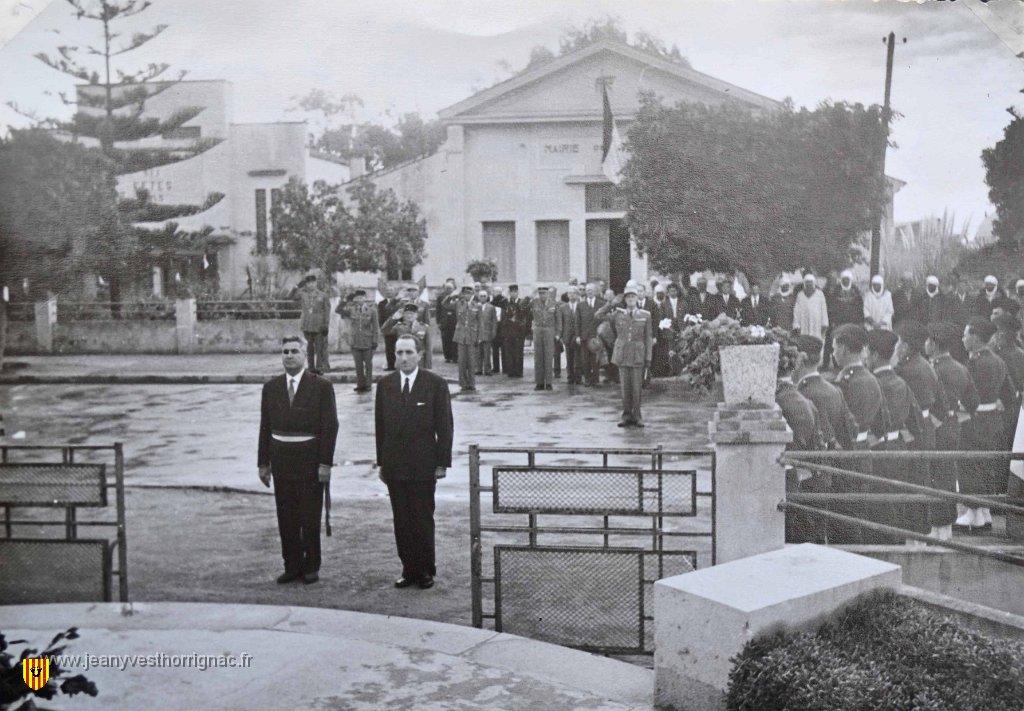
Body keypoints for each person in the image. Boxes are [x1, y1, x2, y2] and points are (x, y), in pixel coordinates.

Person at [374, 334, 453, 590]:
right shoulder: (385, 385)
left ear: (419, 354)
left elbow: (445, 426)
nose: (404, 358)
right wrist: (382, 463)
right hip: (395, 465)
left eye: (409, 352)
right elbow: (380, 428)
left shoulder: (435, 384)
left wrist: (442, 463)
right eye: (399, 353)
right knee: (401, 520)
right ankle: (408, 569)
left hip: (423, 465)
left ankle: (425, 570)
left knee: (421, 518)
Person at [258, 335, 338, 585]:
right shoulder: (271, 387)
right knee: (286, 517)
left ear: (305, 355)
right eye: (285, 352)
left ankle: (311, 565)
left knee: (309, 517)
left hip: (310, 461)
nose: (289, 355)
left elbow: (330, 426)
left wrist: (325, 464)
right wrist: (263, 463)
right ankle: (291, 565)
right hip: (282, 462)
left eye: (294, 351)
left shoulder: (321, 386)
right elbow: (265, 427)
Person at [894, 321, 952, 540]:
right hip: (925, 431)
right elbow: (942, 407)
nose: (897, 347)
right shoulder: (926, 365)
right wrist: (927, 426)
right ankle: (921, 532)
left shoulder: (905, 370)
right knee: (922, 481)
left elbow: (902, 407)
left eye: (899, 342)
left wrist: (911, 433)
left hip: (912, 434)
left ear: (907, 346)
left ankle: (915, 534)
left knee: (911, 485)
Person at [830, 324, 885, 543]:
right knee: (857, 517)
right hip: (864, 454)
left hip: (844, 457)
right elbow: (881, 426)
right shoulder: (873, 380)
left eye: (834, 348)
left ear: (843, 348)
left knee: (841, 523)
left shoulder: (843, 383)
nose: (833, 353)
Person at [960, 317, 1016, 531]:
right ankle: (984, 512)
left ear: (975, 337)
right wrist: (996, 405)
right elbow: (1010, 396)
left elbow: (968, 397)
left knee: (971, 465)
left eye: (966, 334)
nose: (963, 338)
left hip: (975, 421)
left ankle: (973, 512)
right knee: (985, 467)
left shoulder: (975, 363)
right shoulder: (999, 361)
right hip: (994, 421)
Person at [926, 322, 979, 541]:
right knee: (947, 474)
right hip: (953, 428)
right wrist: (954, 416)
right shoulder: (960, 368)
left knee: (934, 477)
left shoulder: (933, 369)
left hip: (934, 429)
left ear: (935, 344)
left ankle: (938, 525)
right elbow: (973, 403)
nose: (926, 344)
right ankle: (945, 525)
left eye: (929, 340)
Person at [596, 286, 652, 427]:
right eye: (628, 297)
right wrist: (611, 303)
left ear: (637, 298)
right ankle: (626, 415)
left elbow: (648, 338)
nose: (631, 299)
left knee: (637, 387)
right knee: (625, 387)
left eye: (633, 297)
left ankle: (637, 416)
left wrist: (648, 357)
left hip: (637, 354)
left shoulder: (645, 315)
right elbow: (598, 315)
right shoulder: (618, 314)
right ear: (625, 300)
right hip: (622, 353)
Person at [337, 290, 379, 392]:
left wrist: (375, 340)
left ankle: (368, 384)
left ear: (365, 298)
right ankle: (360, 384)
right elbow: (338, 310)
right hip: (355, 341)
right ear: (355, 299)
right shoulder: (351, 309)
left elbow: (375, 326)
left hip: (367, 341)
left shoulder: (372, 310)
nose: (360, 299)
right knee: (358, 364)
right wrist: (345, 300)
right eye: (357, 298)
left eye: (362, 297)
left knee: (368, 364)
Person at [824, 270, 864, 370]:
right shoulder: (836, 291)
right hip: (838, 323)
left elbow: (860, 308)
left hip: (852, 323)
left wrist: (860, 322)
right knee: (835, 343)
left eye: (847, 279)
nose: (846, 281)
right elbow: (831, 308)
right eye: (844, 279)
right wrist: (832, 322)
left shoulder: (856, 291)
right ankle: (833, 364)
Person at [448, 285, 481, 392]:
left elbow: (480, 323)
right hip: (460, 336)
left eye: (468, 293)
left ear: (472, 294)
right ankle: (463, 384)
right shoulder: (458, 304)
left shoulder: (477, 305)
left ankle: (472, 383)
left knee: (471, 362)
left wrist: (479, 337)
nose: (466, 295)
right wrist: (452, 296)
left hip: (472, 336)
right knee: (461, 361)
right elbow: (444, 304)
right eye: (465, 293)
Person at [298, 275, 331, 375]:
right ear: (306, 284)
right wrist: (299, 285)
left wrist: (326, 324)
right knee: (309, 348)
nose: (311, 285)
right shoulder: (303, 294)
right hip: (307, 324)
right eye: (308, 283)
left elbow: (327, 311)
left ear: (316, 283)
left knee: (319, 348)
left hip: (319, 325)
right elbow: (292, 296)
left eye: (312, 282)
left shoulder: (323, 295)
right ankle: (311, 367)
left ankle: (319, 367)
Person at [578, 283, 605, 386]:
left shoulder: (601, 304)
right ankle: (587, 379)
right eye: (587, 290)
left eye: (591, 290)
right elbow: (578, 321)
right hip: (585, 335)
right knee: (585, 359)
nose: (589, 291)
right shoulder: (581, 305)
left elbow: (604, 319)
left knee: (596, 359)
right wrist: (578, 335)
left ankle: (596, 379)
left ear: (595, 291)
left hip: (596, 335)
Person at [531, 286, 558, 391]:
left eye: (544, 293)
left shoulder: (554, 303)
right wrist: (531, 295)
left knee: (548, 357)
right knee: (538, 358)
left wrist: (558, 333)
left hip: (549, 331)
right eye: (540, 293)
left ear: (548, 294)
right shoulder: (534, 302)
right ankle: (539, 383)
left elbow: (558, 318)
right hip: (538, 331)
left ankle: (549, 383)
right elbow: (522, 306)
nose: (542, 295)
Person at [556, 286, 582, 384]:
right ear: (567, 295)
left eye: (574, 293)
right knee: (569, 357)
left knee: (578, 357)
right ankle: (570, 377)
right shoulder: (563, 307)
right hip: (567, 335)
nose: (571, 295)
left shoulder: (581, 306)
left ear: (577, 295)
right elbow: (560, 322)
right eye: (570, 293)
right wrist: (561, 335)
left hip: (578, 335)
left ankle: (578, 377)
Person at [501, 285, 528, 378]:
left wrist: (520, 325)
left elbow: (525, 317)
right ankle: (511, 371)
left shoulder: (522, 302)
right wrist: (508, 321)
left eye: (515, 292)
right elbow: (503, 317)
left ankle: (518, 371)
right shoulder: (506, 303)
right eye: (511, 292)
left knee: (518, 352)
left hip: (519, 332)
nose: (513, 294)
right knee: (509, 352)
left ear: (518, 293)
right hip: (509, 331)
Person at [793, 273, 828, 339]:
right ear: (804, 283)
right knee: (804, 342)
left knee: (816, 342)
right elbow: (796, 311)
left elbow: (824, 309)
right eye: (807, 282)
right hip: (803, 323)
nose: (809, 284)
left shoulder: (820, 294)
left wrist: (824, 324)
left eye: (810, 282)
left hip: (817, 324)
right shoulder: (800, 295)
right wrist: (796, 325)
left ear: (814, 283)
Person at [474, 289, 497, 376]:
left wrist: (493, 332)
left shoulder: (491, 307)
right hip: (478, 333)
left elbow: (494, 321)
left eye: (484, 296)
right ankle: (478, 369)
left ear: (487, 297)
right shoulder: (476, 307)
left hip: (487, 332)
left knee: (487, 352)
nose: (483, 297)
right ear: (478, 297)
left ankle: (487, 370)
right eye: (481, 296)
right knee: (478, 352)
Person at [437, 280, 459, 363]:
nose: (448, 289)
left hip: (454, 321)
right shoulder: (441, 297)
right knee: (445, 340)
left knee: (455, 340)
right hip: (444, 322)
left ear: (453, 289)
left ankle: (455, 356)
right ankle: (447, 356)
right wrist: (438, 322)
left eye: (450, 288)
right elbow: (438, 310)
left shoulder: (456, 296)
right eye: (447, 288)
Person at [378, 286, 399, 371]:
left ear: (394, 292)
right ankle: (391, 365)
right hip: (387, 329)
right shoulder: (381, 303)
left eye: (391, 290)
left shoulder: (398, 303)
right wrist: (382, 328)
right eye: (388, 290)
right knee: (389, 348)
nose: (389, 292)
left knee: (399, 347)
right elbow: (380, 317)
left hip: (398, 328)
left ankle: (400, 365)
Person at [490, 286, 508, 374]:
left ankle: (505, 367)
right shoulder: (492, 302)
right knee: (495, 349)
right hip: (494, 328)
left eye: (497, 292)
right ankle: (496, 367)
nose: (496, 293)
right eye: (495, 291)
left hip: (502, 328)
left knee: (504, 349)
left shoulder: (504, 301)